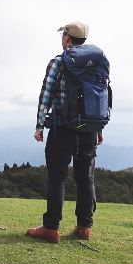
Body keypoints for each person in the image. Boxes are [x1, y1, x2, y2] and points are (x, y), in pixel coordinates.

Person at [27, 21, 104, 243]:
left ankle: (51, 229)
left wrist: (40, 126)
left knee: (57, 178)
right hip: (89, 128)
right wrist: (98, 128)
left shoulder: (58, 62)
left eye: (63, 35)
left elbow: (46, 96)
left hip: (63, 128)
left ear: (67, 39)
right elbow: (99, 97)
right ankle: (84, 227)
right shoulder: (96, 63)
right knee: (86, 178)